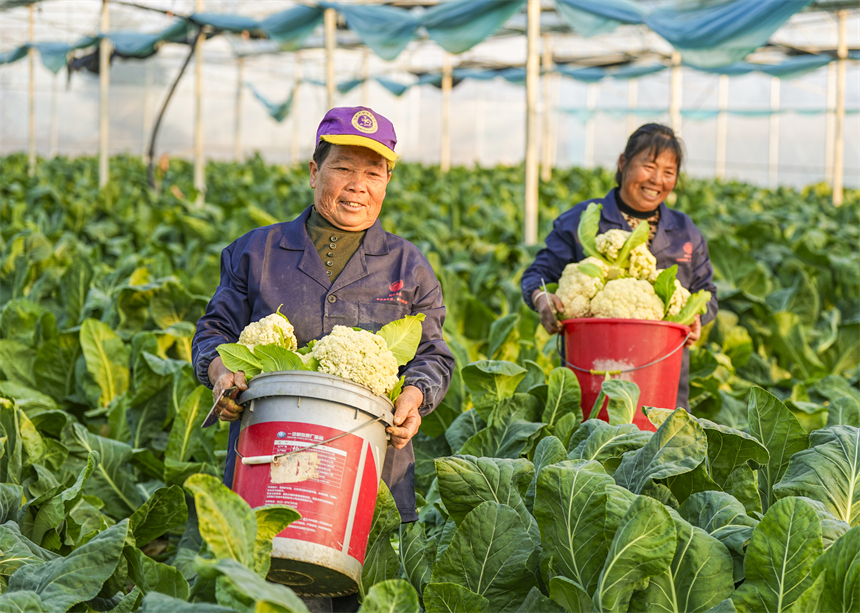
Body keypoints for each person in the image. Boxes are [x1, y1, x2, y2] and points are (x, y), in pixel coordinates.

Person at [191, 106, 455, 527]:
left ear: (387, 181)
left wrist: (416, 396)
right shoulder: (256, 252)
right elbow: (214, 330)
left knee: (371, 590)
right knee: (267, 583)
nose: (357, 186)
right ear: (315, 172)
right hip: (271, 464)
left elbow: (433, 355)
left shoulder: (408, 265)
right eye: (343, 168)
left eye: (373, 173)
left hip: (373, 474)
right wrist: (221, 372)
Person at [521, 123, 718, 409]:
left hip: (663, 384)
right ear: (623, 162)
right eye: (648, 166)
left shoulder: (686, 232)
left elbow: (706, 291)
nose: (657, 180)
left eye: (668, 172)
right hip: (592, 378)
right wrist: (542, 300)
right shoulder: (582, 221)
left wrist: (698, 316)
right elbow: (536, 275)